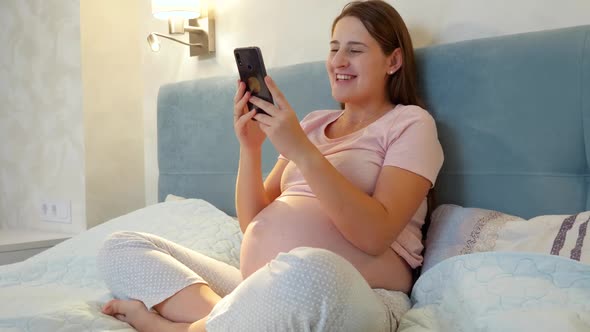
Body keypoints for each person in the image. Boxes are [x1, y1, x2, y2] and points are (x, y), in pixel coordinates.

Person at [96, 1, 444, 331]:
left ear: (393, 60)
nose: (338, 60)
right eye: (334, 48)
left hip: (353, 292)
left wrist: (304, 152)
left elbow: (374, 235)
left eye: (354, 50)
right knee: (122, 246)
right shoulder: (310, 123)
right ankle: (241, 318)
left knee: (308, 267)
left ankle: (175, 326)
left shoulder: (410, 124)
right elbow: (253, 223)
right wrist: (251, 148)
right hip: (262, 285)